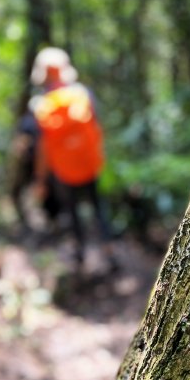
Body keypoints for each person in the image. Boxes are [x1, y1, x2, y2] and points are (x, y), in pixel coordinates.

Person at [29, 47, 116, 268]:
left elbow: (43, 147)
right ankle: (108, 249)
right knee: (98, 207)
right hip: (89, 163)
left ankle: (80, 254)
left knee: (72, 211)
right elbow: (97, 127)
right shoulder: (82, 94)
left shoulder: (42, 104)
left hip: (63, 170)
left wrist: (40, 180)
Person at [9, 109, 61, 234]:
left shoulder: (29, 121)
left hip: (37, 165)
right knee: (46, 192)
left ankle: (49, 223)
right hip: (42, 164)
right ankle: (50, 222)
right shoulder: (43, 120)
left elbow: (19, 145)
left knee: (42, 192)